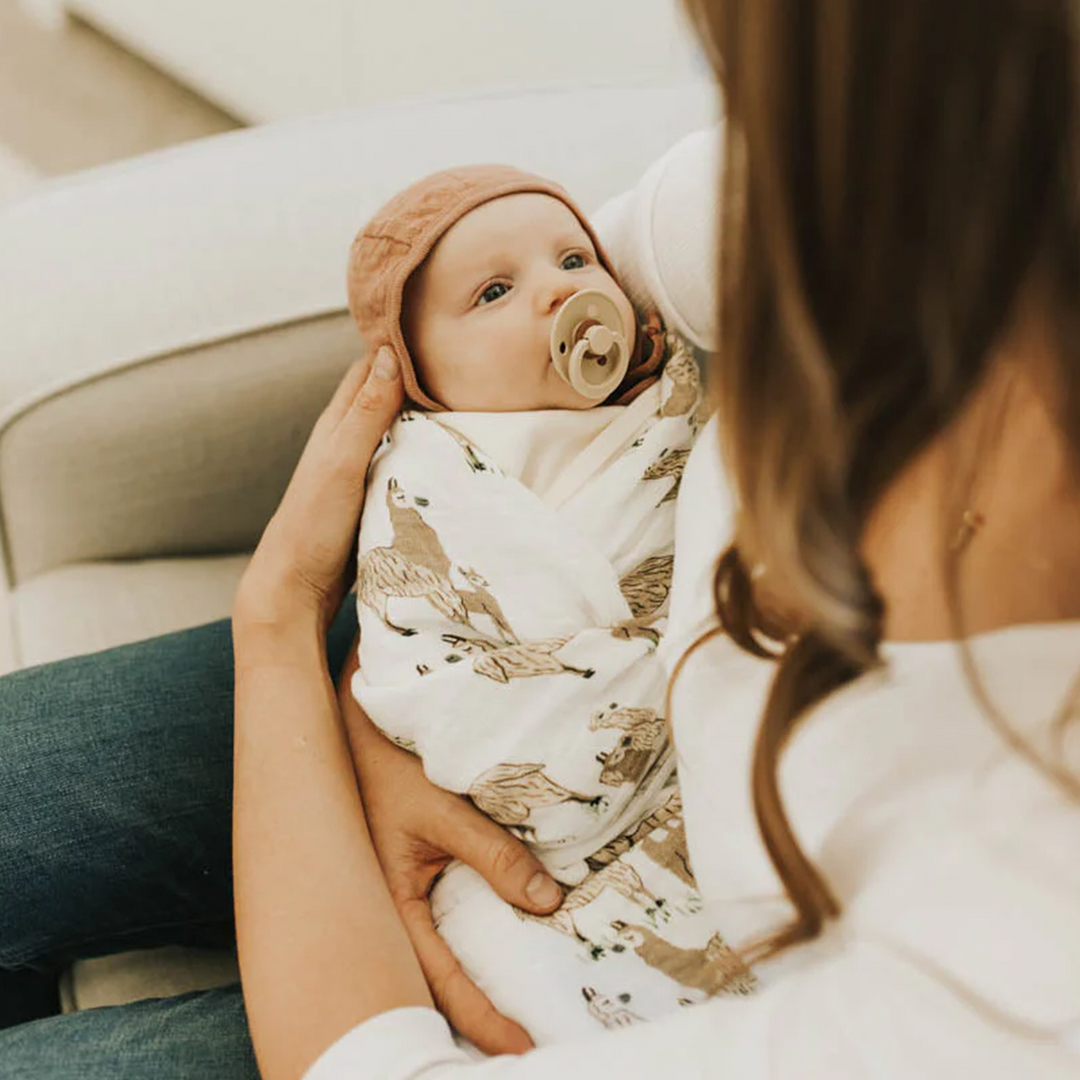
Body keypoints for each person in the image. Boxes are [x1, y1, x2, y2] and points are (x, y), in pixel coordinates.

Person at [0, 1, 1077, 1077]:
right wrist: (379, 714)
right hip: (452, 663)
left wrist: (277, 620)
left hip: (594, 940)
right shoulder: (890, 167)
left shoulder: (1007, 965)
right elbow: (548, 283)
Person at [343, 164, 749, 1043]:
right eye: (494, 291)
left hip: (698, 772)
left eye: (573, 259)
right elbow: (415, 652)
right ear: (419, 376)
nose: (557, 292)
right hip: (538, 794)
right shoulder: (433, 471)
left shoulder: (668, 400)